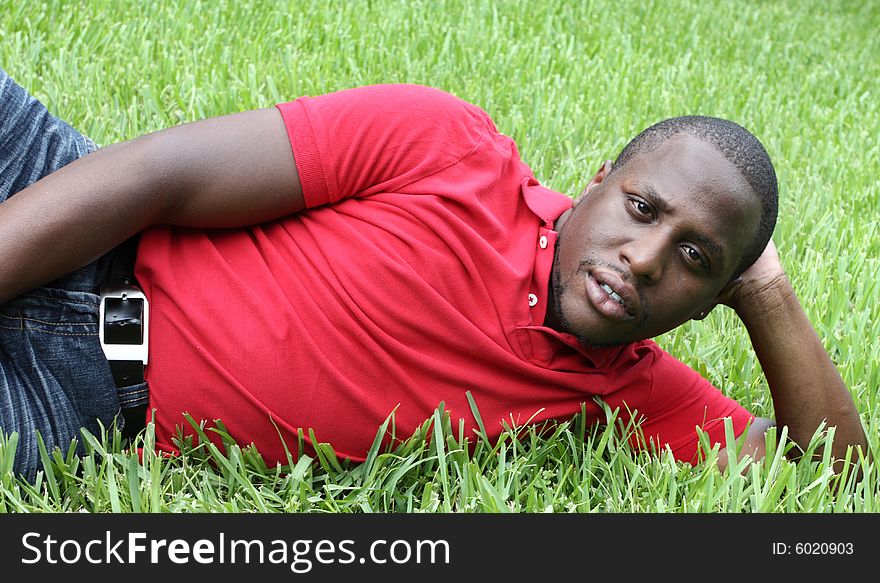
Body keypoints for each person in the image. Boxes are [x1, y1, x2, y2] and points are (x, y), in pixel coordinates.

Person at [0, 66, 867, 482]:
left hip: (73, 396)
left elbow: (837, 480)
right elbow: (159, 174)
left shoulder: (633, 393)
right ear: (599, 182)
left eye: (695, 261)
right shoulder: (444, 147)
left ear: (710, 303)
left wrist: (767, 290)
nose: (644, 259)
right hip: (74, 199)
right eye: (643, 209)